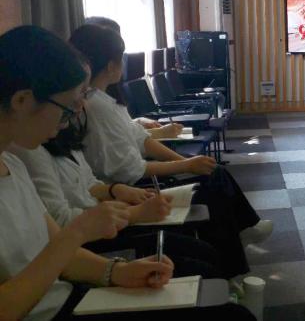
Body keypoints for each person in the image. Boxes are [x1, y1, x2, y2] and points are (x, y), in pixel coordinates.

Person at [0, 25, 254, 321]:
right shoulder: (26, 155)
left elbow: (63, 255)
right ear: (22, 101)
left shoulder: (13, 164)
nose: (70, 120)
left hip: (68, 296)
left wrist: (117, 271)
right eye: (67, 108)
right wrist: (81, 231)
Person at [68, 24, 271, 278]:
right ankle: (233, 262)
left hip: (130, 182)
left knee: (212, 172)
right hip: (134, 186)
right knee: (213, 183)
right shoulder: (95, 106)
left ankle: (241, 235)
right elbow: (130, 170)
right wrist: (185, 165)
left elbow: (141, 139)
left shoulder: (107, 101)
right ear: (111, 65)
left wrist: (187, 160)